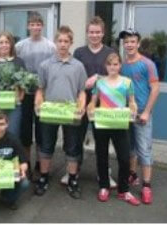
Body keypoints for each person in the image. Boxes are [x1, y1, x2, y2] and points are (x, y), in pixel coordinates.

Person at [61, 16, 117, 188]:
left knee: (102, 139)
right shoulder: (79, 52)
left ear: (103, 33)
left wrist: (99, 78)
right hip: (81, 100)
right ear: (87, 33)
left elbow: (115, 76)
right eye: (91, 32)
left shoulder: (110, 52)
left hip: (104, 102)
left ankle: (104, 173)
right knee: (76, 137)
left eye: (98, 32)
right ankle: (73, 170)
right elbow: (75, 75)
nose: (94, 35)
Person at [34, 26, 86, 199]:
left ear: (71, 43)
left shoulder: (78, 66)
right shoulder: (45, 65)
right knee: (46, 146)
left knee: (72, 147)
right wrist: (38, 103)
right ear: (55, 42)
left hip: (70, 113)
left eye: (66, 41)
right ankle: (43, 178)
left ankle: (72, 180)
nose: (63, 44)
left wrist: (82, 106)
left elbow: (82, 92)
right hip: (50, 113)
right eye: (60, 41)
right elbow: (40, 90)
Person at [87, 52, 140, 206]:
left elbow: (131, 101)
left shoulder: (127, 82)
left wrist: (133, 108)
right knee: (101, 155)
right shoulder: (100, 82)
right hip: (103, 123)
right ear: (106, 66)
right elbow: (93, 101)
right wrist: (90, 108)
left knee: (124, 158)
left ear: (120, 66)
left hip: (120, 123)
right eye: (110, 64)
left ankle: (124, 190)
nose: (112, 67)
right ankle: (104, 186)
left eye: (116, 64)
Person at [119, 28, 160, 204]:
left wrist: (146, 112)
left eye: (132, 41)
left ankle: (146, 186)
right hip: (126, 113)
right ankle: (132, 175)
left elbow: (155, 88)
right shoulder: (121, 65)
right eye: (126, 41)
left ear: (138, 43)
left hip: (142, 113)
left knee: (143, 149)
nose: (129, 44)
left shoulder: (147, 64)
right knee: (130, 149)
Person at [15, 11, 56, 180]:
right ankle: (27, 164)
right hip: (25, 94)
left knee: (41, 131)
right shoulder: (20, 46)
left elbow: (54, 68)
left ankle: (40, 164)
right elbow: (14, 68)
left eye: (38, 24)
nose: (35, 27)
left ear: (42, 26)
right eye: (32, 24)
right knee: (25, 133)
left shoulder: (50, 46)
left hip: (44, 94)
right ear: (28, 26)